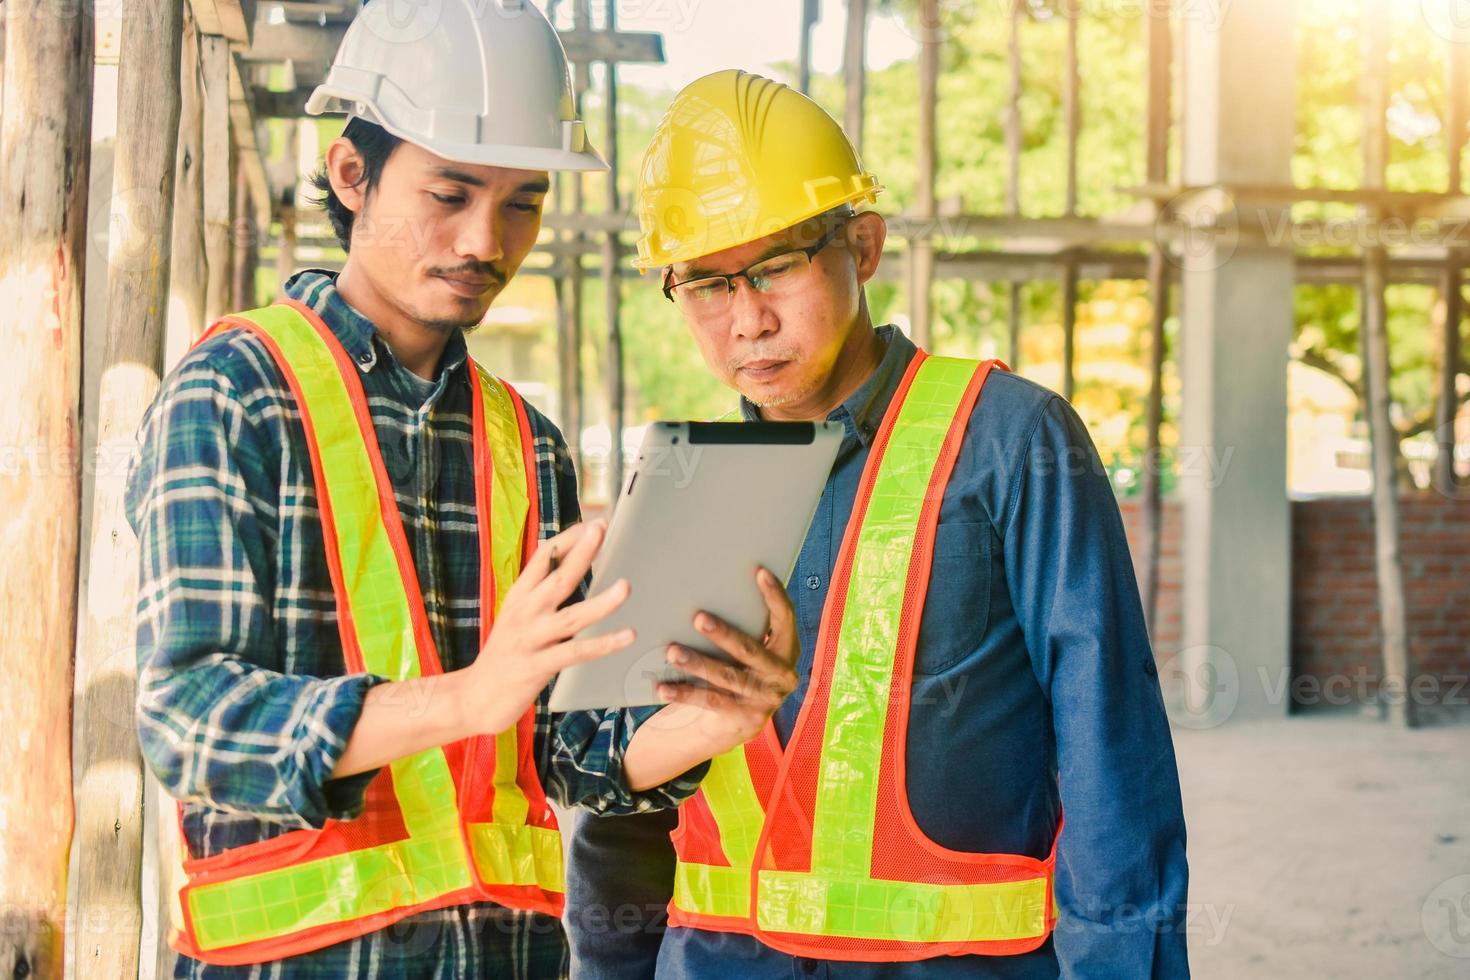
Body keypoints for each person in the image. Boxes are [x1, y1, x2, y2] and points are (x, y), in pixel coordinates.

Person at [126, 7, 793, 975]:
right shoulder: (233, 392)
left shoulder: (530, 445)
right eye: (449, 192)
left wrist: (710, 719)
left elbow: (564, 750)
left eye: (522, 202)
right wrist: (468, 697)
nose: (486, 239)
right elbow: (188, 718)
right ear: (351, 175)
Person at [565, 69, 1191, 978]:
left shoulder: (1010, 440)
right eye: (704, 284)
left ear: (861, 245)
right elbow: (630, 791)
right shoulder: (679, 482)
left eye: (776, 266)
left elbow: (1110, 752)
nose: (749, 321)